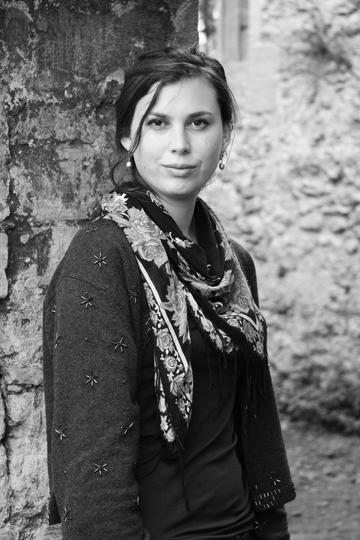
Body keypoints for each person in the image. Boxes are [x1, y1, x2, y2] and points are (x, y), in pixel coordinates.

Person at [42, 47, 295, 540]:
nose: (180, 144)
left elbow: (254, 425)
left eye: (199, 122)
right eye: (157, 123)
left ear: (225, 136)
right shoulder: (102, 261)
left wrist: (272, 529)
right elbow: (92, 459)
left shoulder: (234, 266)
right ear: (126, 137)